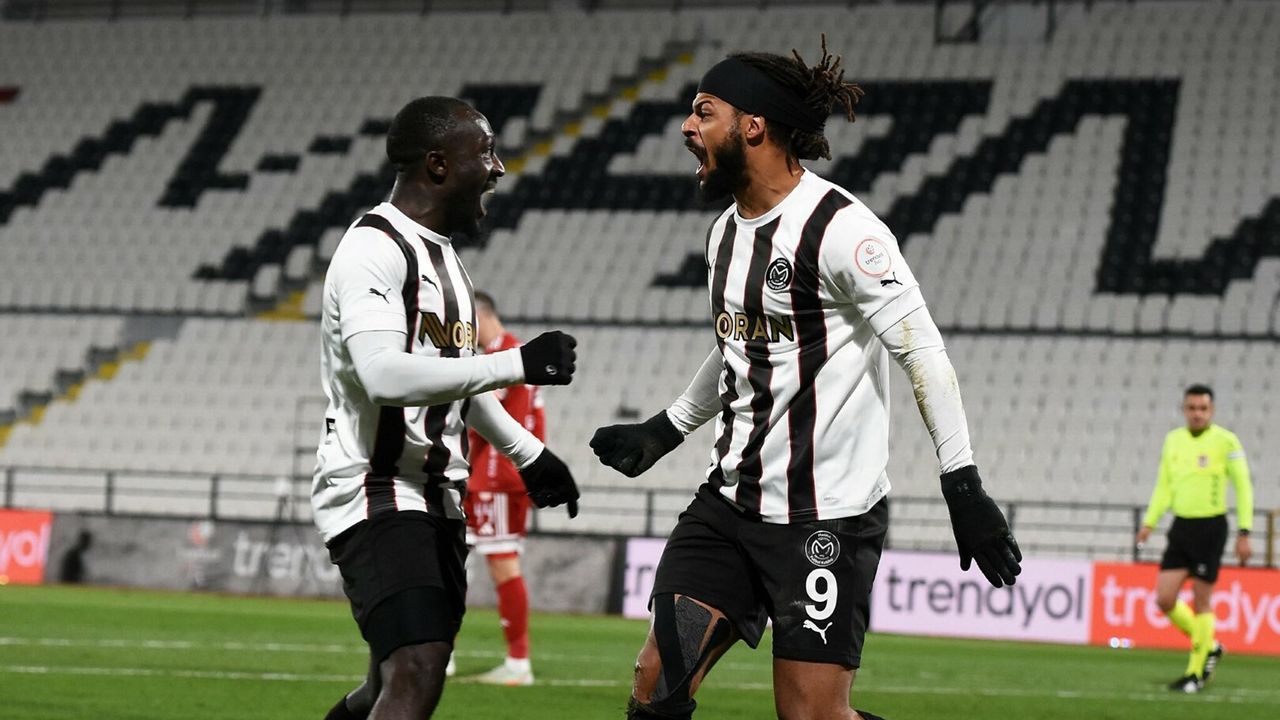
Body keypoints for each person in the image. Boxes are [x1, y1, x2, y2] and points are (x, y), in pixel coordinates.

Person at [590, 38, 1022, 720]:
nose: (687, 126)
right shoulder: (723, 235)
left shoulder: (843, 230)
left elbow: (922, 353)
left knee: (813, 715)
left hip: (827, 517)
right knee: (656, 680)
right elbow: (742, 347)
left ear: (753, 126)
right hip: (729, 505)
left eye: (704, 111)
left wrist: (961, 484)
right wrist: (668, 428)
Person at [313, 96, 581, 720]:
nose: (498, 168)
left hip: (437, 496)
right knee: (418, 665)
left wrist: (529, 453)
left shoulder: (447, 260)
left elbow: (452, 380)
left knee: (385, 685)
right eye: (485, 152)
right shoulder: (374, 248)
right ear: (438, 164)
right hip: (376, 489)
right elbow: (383, 375)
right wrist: (515, 363)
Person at [1136, 384, 1253, 694]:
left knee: (1202, 601)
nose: (1197, 413)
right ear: (1184, 409)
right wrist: (1149, 522)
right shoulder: (1173, 440)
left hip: (1211, 527)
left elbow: (1243, 486)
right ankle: (1210, 646)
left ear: (1211, 411)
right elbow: (1164, 485)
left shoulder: (1226, 441)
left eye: (1203, 408)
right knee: (1164, 598)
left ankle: (1195, 673)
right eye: (1192, 408)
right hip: (1182, 527)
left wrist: (1245, 531)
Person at [461, 290, 545, 686]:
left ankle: (518, 661)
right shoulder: (514, 354)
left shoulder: (505, 356)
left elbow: (480, 415)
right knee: (460, 558)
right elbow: (536, 418)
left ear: (480, 316)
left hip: (497, 475)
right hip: (493, 474)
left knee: (501, 562)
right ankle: (442, 651)